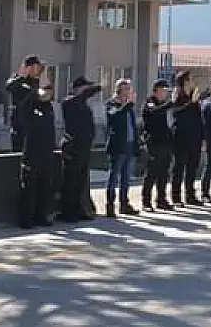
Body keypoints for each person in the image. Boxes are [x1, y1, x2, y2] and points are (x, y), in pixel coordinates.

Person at [5, 55, 56, 229]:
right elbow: (10, 86)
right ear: (27, 67)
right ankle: (26, 218)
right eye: (36, 67)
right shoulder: (19, 83)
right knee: (29, 182)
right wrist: (22, 74)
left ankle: (41, 215)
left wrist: (44, 78)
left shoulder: (37, 85)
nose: (38, 70)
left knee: (44, 182)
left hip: (43, 139)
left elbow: (47, 96)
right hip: (25, 137)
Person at [58, 76, 102, 222]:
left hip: (84, 147)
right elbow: (80, 97)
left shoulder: (84, 105)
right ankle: (68, 212)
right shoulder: (68, 102)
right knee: (71, 180)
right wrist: (93, 89)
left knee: (81, 181)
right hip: (72, 147)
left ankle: (79, 209)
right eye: (85, 88)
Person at [104, 79, 140, 217]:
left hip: (129, 145)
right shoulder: (112, 104)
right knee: (114, 176)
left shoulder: (129, 107)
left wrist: (136, 144)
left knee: (126, 177)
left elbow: (133, 126)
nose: (128, 92)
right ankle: (110, 205)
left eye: (129, 89)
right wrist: (128, 104)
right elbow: (115, 116)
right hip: (117, 146)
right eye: (125, 89)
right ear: (118, 90)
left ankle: (124, 204)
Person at [170, 71, 203, 206]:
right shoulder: (177, 95)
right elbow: (177, 113)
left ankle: (190, 195)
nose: (192, 82)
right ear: (184, 82)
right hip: (181, 137)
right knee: (179, 167)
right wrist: (191, 102)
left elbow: (199, 118)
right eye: (189, 79)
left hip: (195, 137)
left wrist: (203, 138)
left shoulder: (194, 96)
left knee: (192, 167)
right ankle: (176, 196)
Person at [141, 79, 175, 212]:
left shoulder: (165, 104)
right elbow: (154, 112)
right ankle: (146, 201)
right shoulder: (150, 102)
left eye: (166, 91)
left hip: (166, 142)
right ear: (156, 90)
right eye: (163, 90)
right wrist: (169, 104)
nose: (165, 94)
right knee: (151, 173)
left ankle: (161, 199)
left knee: (164, 173)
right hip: (154, 142)